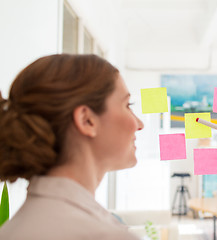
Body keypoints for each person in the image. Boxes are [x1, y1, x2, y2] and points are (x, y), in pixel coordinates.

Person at [0, 54, 143, 240]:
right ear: (87, 120)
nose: (139, 124)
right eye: (127, 105)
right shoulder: (104, 235)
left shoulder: (12, 230)